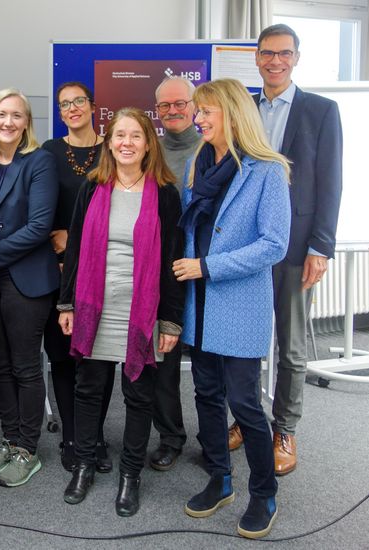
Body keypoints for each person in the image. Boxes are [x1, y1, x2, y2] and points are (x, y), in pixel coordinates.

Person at [175, 78, 291, 539]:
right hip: (198, 302)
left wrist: (207, 266)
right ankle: (220, 478)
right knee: (205, 394)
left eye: (207, 112)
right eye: (197, 111)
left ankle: (263, 493)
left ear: (233, 113)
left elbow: (274, 245)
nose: (198, 119)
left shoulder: (267, 170)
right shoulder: (197, 165)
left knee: (243, 401)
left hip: (237, 300)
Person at [228, 24, 343, 476]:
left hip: (297, 248)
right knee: (247, 342)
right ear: (256, 58)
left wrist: (322, 246)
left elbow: (331, 183)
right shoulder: (245, 111)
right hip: (250, 248)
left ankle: (285, 429)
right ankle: (247, 419)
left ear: (296, 58)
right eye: (267, 54)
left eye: (284, 54)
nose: (275, 61)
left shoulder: (321, 111)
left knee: (291, 347)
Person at [57, 108, 184, 512]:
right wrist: (67, 303)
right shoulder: (92, 187)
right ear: (109, 142)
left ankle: (131, 475)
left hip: (142, 310)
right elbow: (74, 249)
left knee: (139, 395)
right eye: (119, 135)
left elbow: (172, 260)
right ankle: (84, 463)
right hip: (95, 305)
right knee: (89, 388)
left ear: (149, 143)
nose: (126, 143)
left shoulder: (165, 193)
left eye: (135, 136)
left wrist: (171, 317)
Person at [0, 89, 59, 487]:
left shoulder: (39, 161)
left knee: (24, 365)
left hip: (26, 278)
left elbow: (40, 227)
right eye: (1, 114)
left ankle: (28, 448)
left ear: (27, 123)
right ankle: (10, 440)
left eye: (17, 116)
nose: (8, 122)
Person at [41, 81, 113, 473]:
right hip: (60, 269)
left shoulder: (113, 149)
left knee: (99, 357)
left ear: (93, 106)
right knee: (64, 355)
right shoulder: (50, 152)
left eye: (78, 101)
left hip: (103, 267)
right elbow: (42, 206)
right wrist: (62, 244)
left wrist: (78, 237)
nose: (72, 108)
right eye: (64, 104)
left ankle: (96, 434)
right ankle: (71, 436)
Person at [146, 76, 202, 471]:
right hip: (163, 271)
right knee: (163, 361)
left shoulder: (213, 149)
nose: (172, 111)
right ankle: (171, 437)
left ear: (195, 105)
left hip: (205, 270)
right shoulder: (152, 152)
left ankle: (216, 437)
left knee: (208, 364)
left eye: (179, 103)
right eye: (164, 106)